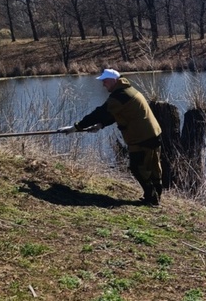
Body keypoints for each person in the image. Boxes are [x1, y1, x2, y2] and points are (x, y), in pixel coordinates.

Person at [58, 69, 163, 206]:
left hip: (141, 137)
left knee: (138, 168)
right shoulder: (127, 90)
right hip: (152, 133)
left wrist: (76, 127)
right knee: (153, 167)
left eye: (105, 81)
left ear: (114, 81)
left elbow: (99, 113)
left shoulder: (120, 95)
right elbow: (116, 114)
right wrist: (101, 125)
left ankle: (152, 199)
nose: (103, 84)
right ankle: (154, 198)